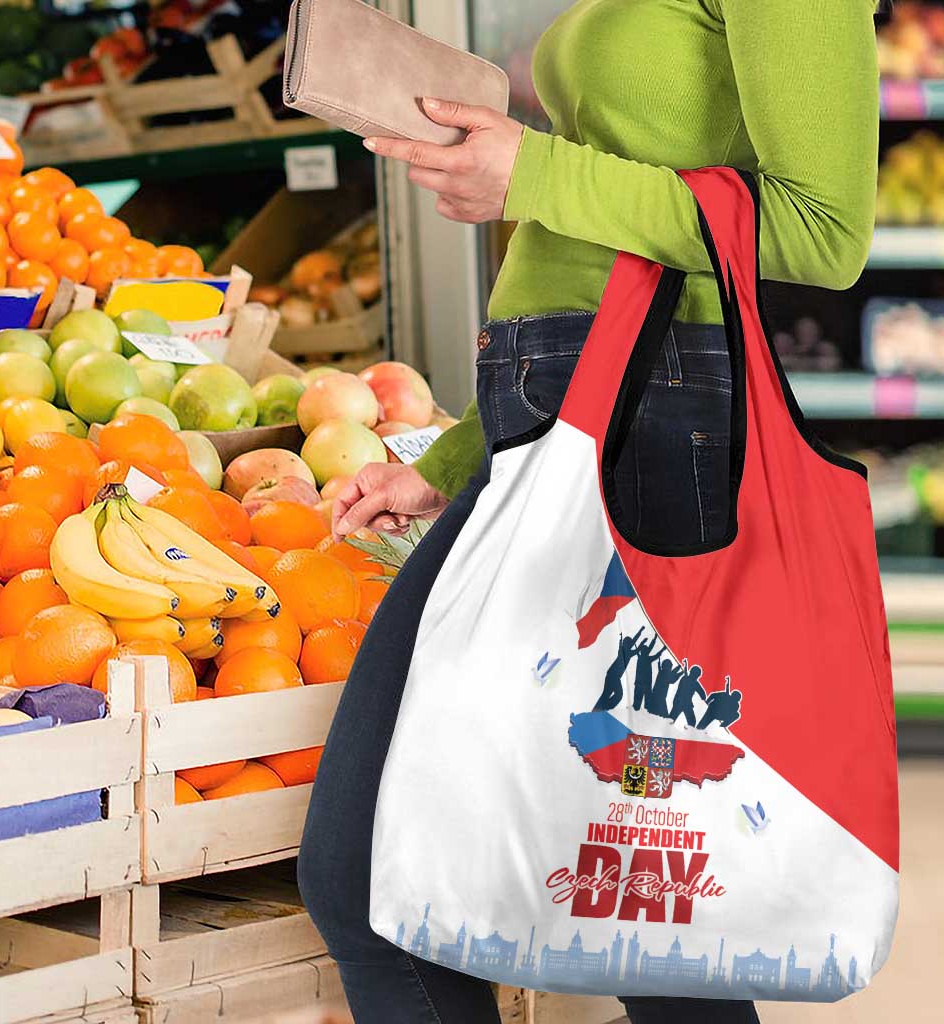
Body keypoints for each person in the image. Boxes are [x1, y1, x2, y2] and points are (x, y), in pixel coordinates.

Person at [298, 3, 881, 1022]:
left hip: (656, 439)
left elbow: (824, 230)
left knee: (634, 919)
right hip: (562, 430)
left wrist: (534, 173)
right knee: (601, 913)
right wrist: (456, 457)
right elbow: (598, 242)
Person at [594, 627, 644, 711]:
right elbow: (634, 645)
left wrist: (641, 634)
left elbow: (635, 645)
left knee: (606, 695)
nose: (631, 644)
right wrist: (641, 640)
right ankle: (601, 709)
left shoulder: (627, 651)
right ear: (627, 644)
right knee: (618, 695)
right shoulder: (624, 650)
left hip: (612, 676)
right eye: (629, 644)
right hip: (613, 676)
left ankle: (597, 710)